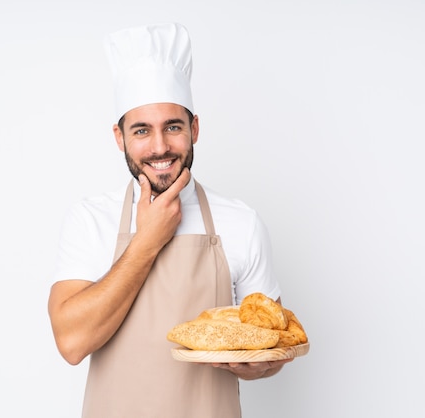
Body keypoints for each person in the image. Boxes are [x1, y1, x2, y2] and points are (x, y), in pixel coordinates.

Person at [48, 22, 292, 418]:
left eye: (173, 127)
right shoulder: (90, 220)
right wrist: (147, 241)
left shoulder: (240, 223)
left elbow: (274, 340)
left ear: (194, 129)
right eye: (141, 130)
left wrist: (263, 365)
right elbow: (72, 343)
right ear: (119, 137)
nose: (160, 146)